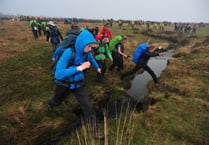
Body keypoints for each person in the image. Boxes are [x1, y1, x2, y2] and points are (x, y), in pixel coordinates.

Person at [48, 30, 104, 139]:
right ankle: (51, 104)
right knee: (57, 99)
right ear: (82, 44)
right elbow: (59, 74)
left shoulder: (87, 53)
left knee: (89, 108)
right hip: (64, 84)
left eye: (92, 47)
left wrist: (97, 68)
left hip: (79, 85)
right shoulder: (69, 52)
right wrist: (80, 68)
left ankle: (95, 133)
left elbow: (91, 59)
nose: (91, 49)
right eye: (89, 46)